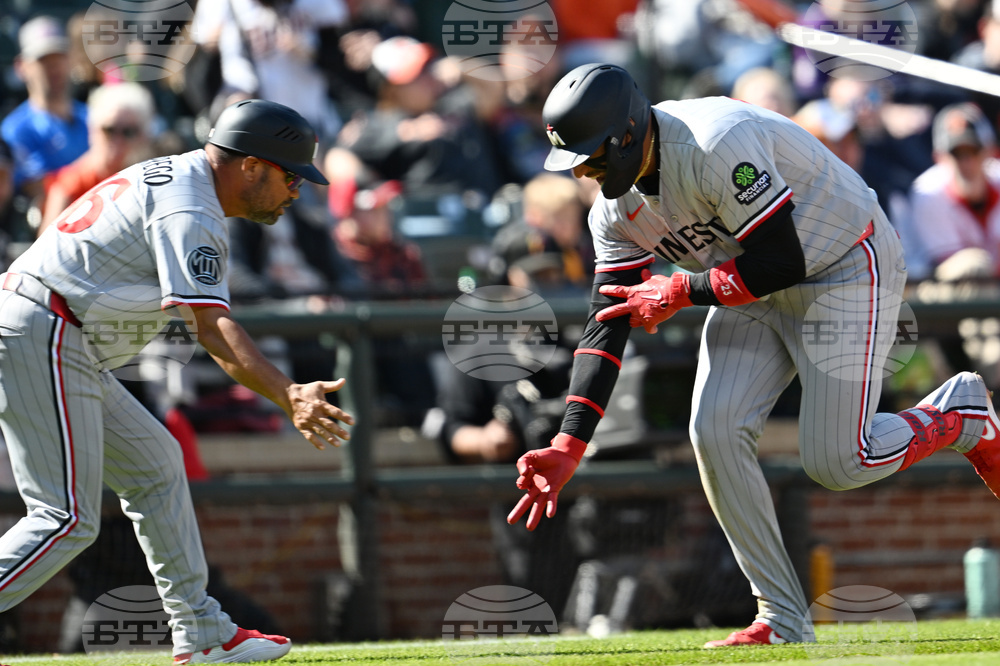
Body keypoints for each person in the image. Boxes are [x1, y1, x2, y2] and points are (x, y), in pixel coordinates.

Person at [506, 63, 1000, 647]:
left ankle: (961, 412)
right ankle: (781, 617)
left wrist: (681, 291)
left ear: (627, 135)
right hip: (748, 280)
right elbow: (606, 320)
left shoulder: (715, 141)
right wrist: (570, 443)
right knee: (713, 430)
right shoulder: (613, 211)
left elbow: (782, 259)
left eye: (588, 155)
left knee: (841, 461)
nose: (581, 172)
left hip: (842, 263)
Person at [0, 99, 353, 663]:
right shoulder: (191, 204)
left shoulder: (185, 180)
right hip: (45, 327)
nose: (296, 191)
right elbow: (210, 328)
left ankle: (203, 631)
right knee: (64, 518)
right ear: (251, 166)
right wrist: (289, 394)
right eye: (290, 176)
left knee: (157, 465)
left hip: (58, 332)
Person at [40, 82, 157, 233]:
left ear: (144, 136)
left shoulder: (152, 179)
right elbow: (49, 243)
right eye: (109, 130)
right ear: (93, 130)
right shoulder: (71, 183)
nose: (118, 140)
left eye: (128, 132)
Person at [1, 16, 88, 200]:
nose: (54, 67)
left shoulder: (93, 116)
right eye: (43, 60)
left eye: (59, 57)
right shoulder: (15, 129)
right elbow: (36, 188)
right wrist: (99, 163)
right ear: (21, 67)